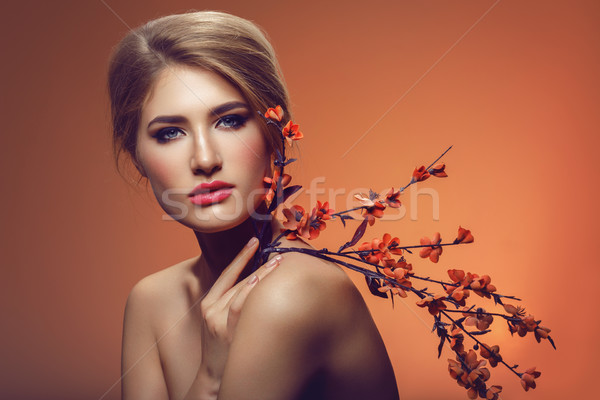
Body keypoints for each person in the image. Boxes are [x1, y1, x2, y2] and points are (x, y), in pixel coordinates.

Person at [108, 10, 399, 400]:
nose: (205, 158)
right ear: (136, 155)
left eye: (229, 121)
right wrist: (210, 374)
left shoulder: (295, 291)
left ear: (276, 134)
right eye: (170, 132)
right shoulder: (152, 300)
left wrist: (210, 379)